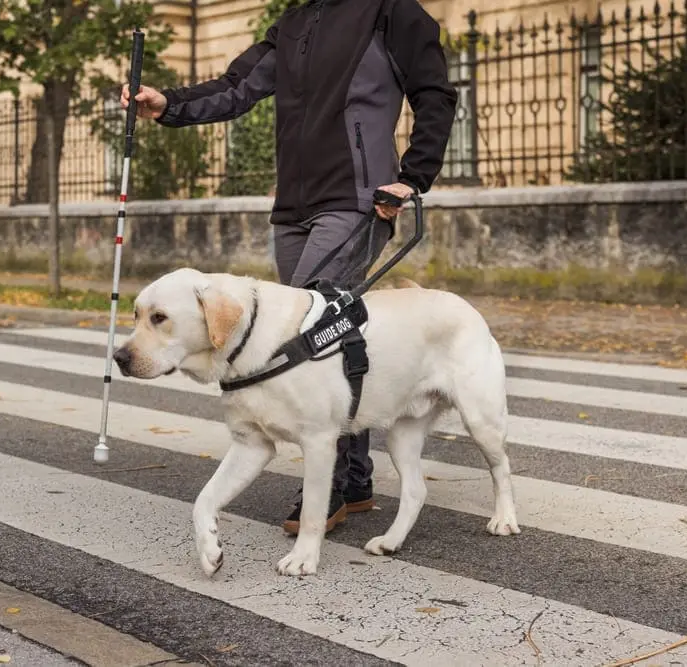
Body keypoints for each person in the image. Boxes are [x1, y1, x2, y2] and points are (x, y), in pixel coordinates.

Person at [122, 0, 458, 535]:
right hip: (294, 207)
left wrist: (414, 175)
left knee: (309, 339)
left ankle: (331, 485)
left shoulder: (390, 11)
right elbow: (239, 87)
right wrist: (170, 105)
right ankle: (357, 476)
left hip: (357, 199)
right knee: (335, 334)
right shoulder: (295, 23)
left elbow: (435, 93)